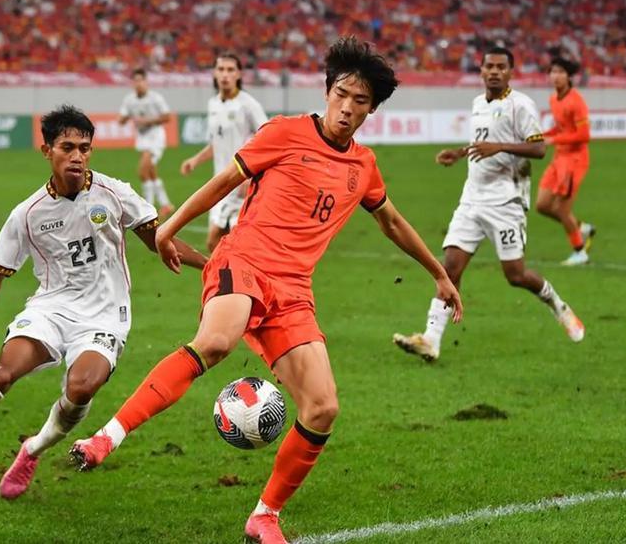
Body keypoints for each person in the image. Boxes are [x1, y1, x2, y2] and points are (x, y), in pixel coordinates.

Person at [69, 37, 462, 544]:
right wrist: (168, 228)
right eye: (341, 94)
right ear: (327, 92)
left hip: (293, 290)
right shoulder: (284, 132)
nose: (347, 107)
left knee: (322, 407)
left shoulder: (363, 166)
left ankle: (264, 516)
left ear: (372, 109)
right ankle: (106, 437)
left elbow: (391, 221)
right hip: (244, 261)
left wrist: (438, 273)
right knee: (216, 342)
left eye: (360, 101)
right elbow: (222, 183)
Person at [0, 105, 206, 507]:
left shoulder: (113, 193)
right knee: (2, 373)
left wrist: (211, 264)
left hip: (105, 316)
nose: (77, 156)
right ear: (47, 151)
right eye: (67, 147)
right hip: (51, 310)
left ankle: (32, 449)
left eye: (84, 148)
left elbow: (159, 237)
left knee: (81, 387)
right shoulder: (27, 214)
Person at [393, 47, 585, 364]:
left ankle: (557, 304)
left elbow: (539, 149)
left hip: (506, 201)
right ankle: (430, 339)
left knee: (516, 275)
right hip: (472, 198)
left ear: (510, 72)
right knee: (450, 267)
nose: (495, 72)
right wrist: (460, 153)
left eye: (501, 67)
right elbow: (482, 142)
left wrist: (500, 147)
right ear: (481, 71)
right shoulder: (478, 103)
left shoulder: (521, 105)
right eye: (489, 66)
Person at [180, 53, 268, 252]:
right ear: (214, 73)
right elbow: (216, 143)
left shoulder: (248, 105)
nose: (225, 74)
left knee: (227, 244)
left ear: (238, 74)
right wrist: (195, 160)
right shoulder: (213, 104)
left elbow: (268, 139)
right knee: (217, 246)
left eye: (230, 70)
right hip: (219, 183)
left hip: (240, 183)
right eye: (221, 69)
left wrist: (250, 174)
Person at [536, 57, 594, 266]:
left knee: (561, 209)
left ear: (569, 76)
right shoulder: (554, 99)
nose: (556, 76)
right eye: (553, 72)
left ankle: (580, 252)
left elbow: (584, 135)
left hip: (575, 160)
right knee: (542, 205)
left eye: (560, 72)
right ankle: (581, 227)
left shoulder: (576, 101)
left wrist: (553, 140)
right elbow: (561, 128)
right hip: (559, 157)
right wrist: (541, 136)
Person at [119, 68, 175, 218]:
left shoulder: (155, 98)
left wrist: (147, 121)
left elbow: (167, 116)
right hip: (142, 138)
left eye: (141, 80)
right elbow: (122, 119)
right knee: (151, 172)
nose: (138, 84)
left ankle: (147, 207)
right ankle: (166, 204)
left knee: (142, 172)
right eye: (136, 81)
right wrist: (124, 118)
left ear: (146, 82)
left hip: (156, 137)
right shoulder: (129, 100)